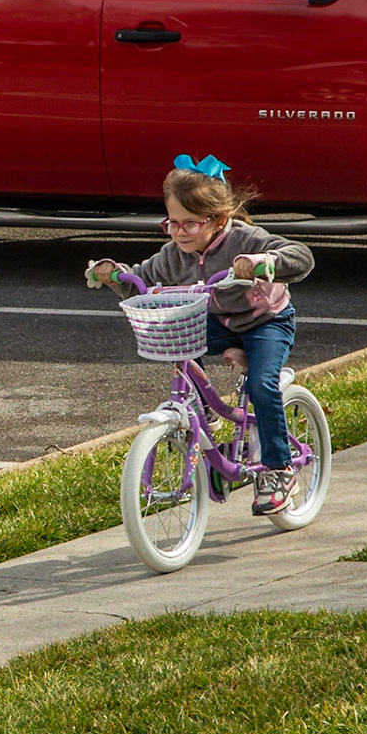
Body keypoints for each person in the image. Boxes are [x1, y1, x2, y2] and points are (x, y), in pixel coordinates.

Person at [86, 155, 315, 516]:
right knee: (175, 336)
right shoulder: (174, 254)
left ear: (219, 220)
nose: (179, 233)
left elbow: (300, 256)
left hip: (264, 322)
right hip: (219, 323)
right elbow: (142, 281)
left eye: (189, 224)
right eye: (172, 223)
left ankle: (278, 469)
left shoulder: (245, 239)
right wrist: (116, 274)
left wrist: (263, 263)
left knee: (262, 385)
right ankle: (202, 416)